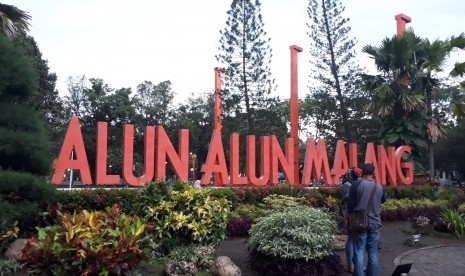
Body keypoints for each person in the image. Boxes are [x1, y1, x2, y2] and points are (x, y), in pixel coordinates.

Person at [347, 163, 386, 276]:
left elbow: (350, 204)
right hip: (375, 222)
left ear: (362, 172)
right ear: (373, 173)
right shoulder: (379, 186)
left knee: (359, 252)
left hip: (359, 222)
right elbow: (382, 201)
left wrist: (347, 217)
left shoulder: (356, 184)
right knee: (373, 253)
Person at [341, 167, 362, 273]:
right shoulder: (347, 185)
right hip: (351, 214)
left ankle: (356, 264)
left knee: (356, 240)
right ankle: (351, 264)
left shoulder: (354, 184)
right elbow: (347, 200)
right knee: (352, 239)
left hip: (357, 214)